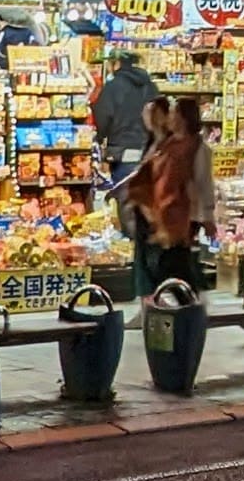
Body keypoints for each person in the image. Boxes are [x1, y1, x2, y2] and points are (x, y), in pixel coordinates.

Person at [130, 97, 213, 299]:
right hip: (165, 213)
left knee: (171, 264)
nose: (170, 117)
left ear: (184, 118)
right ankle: (190, 303)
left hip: (183, 215)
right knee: (172, 264)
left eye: (174, 113)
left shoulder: (197, 148)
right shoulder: (168, 144)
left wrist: (207, 216)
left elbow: (202, 183)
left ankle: (191, 305)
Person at [91, 42, 157, 185]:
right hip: (148, 150)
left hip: (122, 150)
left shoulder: (113, 86)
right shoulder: (151, 87)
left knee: (124, 196)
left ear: (117, 64)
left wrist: (100, 138)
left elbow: (102, 116)